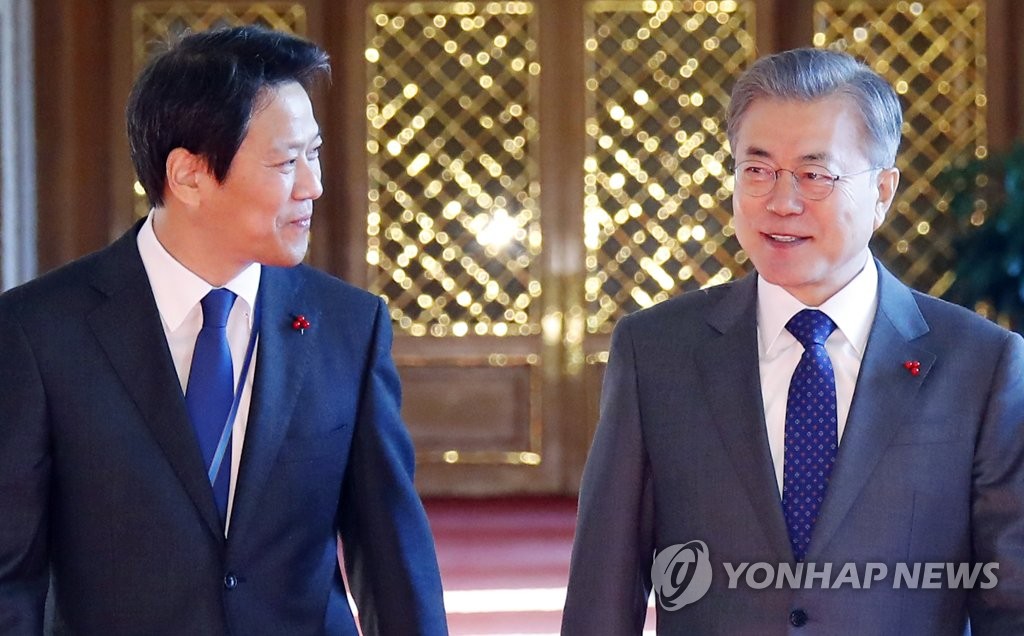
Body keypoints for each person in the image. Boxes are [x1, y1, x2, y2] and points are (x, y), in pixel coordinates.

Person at [0, 25, 447, 635]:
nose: (313, 185)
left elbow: (392, 551)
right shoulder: (40, 332)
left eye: (313, 154)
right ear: (188, 175)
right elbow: (10, 575)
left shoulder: (348, 326)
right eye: (286, 162)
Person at [562, 47, 1024, 634]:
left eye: (815, 175)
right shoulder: (656, 353)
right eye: (757, 170)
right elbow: (603, 591)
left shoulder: (979, 365)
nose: (781, 202)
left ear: (882, 191)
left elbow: (1012, 601)